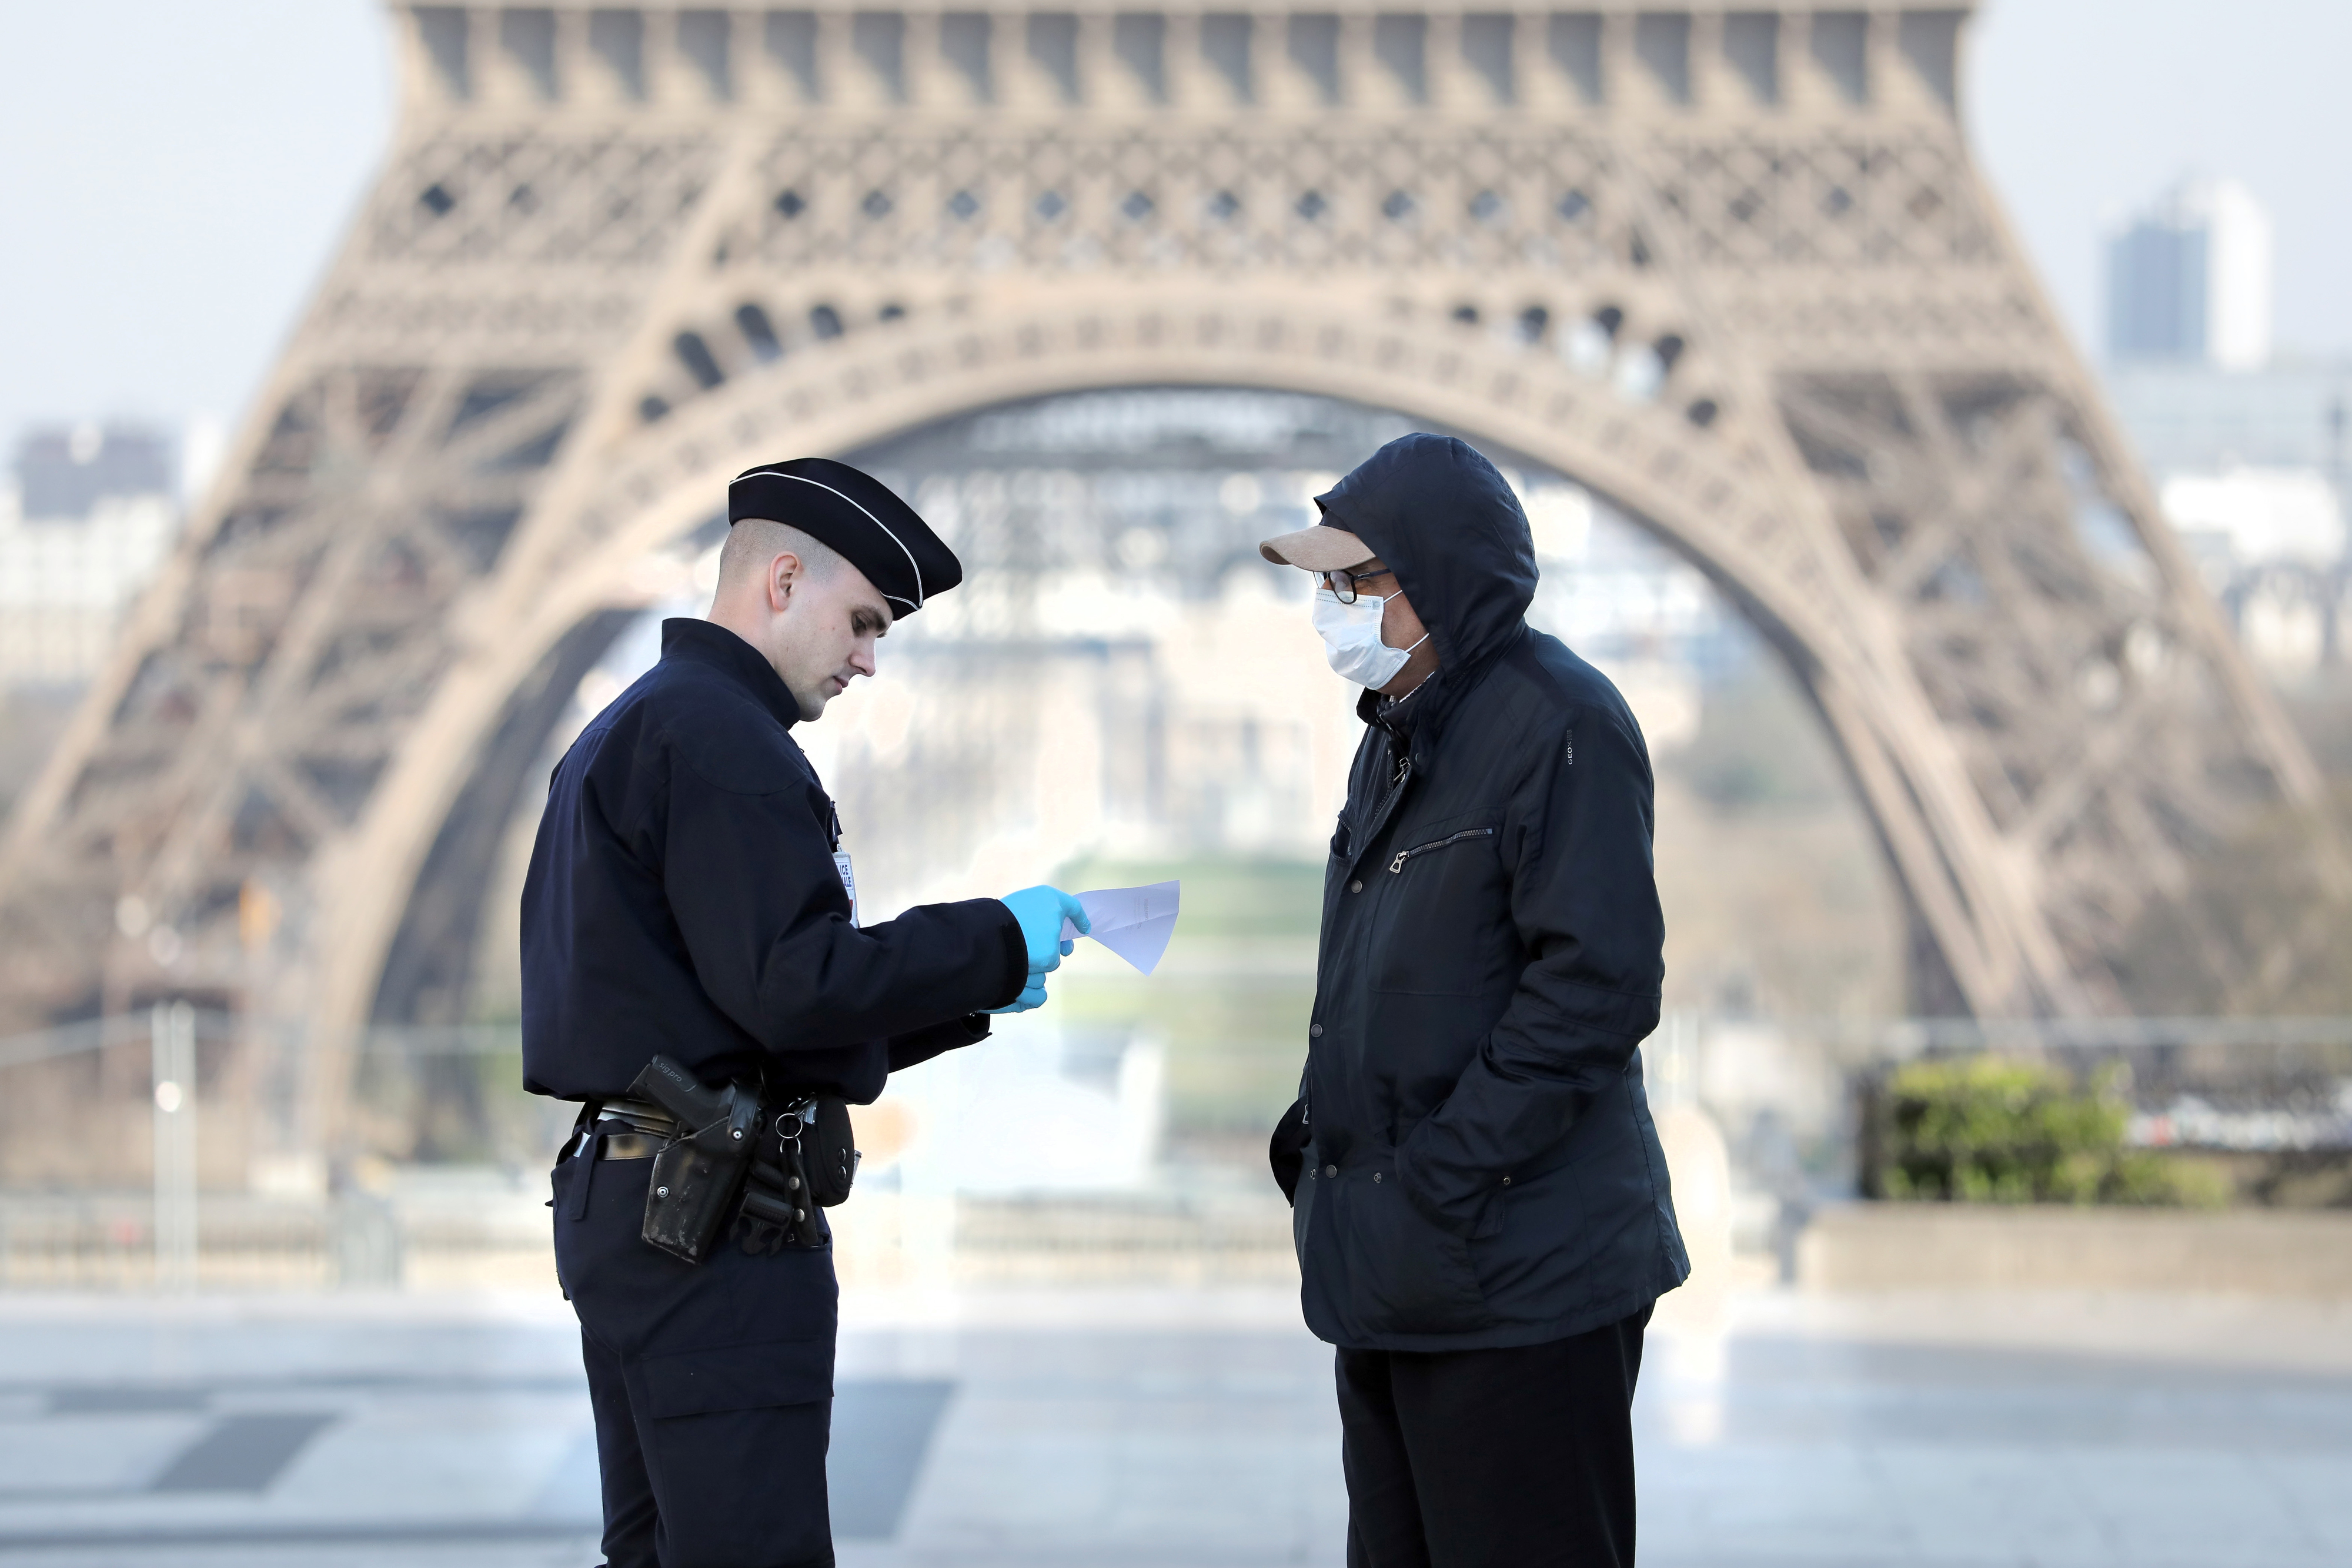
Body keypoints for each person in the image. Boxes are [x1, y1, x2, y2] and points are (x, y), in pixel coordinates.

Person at [520, 457, 1086, 1568]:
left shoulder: (631, 727)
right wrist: (988, 937)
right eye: (863, 622)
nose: (870, 660)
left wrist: (979, 988)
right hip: (715, 1234)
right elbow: (796, 986)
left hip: (633, 1203)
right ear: (783, 580)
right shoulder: (730, 744)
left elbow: (744, 1009)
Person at [1259, 433, 1689, 1568]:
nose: (1332, 605)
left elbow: (1596, 991)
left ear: (1440, 581)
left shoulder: (1562, 722)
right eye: (1325, 582)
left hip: (1517, 1275)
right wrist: (1327, 1151)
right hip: (1404, 1267)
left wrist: (1433, 1180)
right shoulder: (1399, 735)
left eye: (1356, 580)